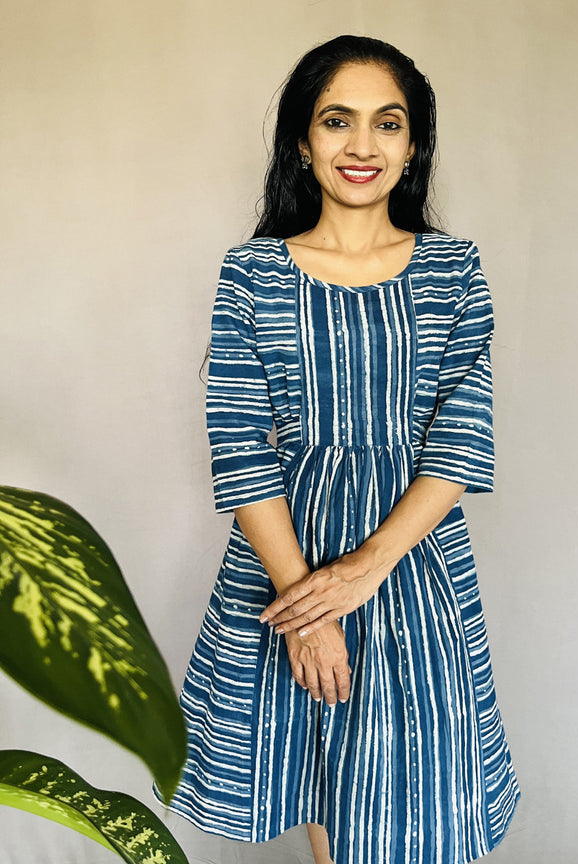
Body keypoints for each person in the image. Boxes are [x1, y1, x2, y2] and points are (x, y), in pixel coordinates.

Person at [167, 34, 520, 864]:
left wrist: (366, 569)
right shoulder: (251, 272)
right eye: (338, 121)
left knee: (416, 789)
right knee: (325, 786)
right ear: (303, 139)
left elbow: (461, 438)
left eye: (387, 124)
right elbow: (240, 445)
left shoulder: (454, 268)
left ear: (413, 144)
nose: (363, 146)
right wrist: (307, 608)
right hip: (284, 557)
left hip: (414, 561)